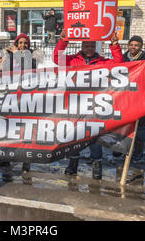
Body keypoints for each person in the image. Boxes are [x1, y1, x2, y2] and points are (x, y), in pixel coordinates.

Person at [54, 29, 124, 179]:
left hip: (95, 104)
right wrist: (63, 41)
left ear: (96, 47)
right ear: (82, 47)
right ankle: (73, 163)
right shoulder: (72, 60)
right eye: (86, 46)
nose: (89, 49)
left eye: (92, 46)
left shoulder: (103, 62)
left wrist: (115, 45)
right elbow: (56, 58)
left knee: (94, 136)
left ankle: (96, 164)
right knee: (74, 136)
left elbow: (119, 63)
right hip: (75, 104)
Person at [0, 33, 42, 173]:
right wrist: (1, 66)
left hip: (26, 98)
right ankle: (6, 158)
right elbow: (2, 75)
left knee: (25, 130)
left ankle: (25, 161)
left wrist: (16, 53)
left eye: (25, 43)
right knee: (9, 129)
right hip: (12, 97)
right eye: (20, 43)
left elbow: (28, 68)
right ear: (16, 43)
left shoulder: (32, 58)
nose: (23, 45)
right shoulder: (10, 56)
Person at [120, 35, 145, 161]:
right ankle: (121, 149)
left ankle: (138, 151)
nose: (133, 47)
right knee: (123, 125)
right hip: (125, 96)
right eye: (131, 44)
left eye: (136, 45)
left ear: (141, 46)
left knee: (140, 127)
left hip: (140, 97)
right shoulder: (123, 58)